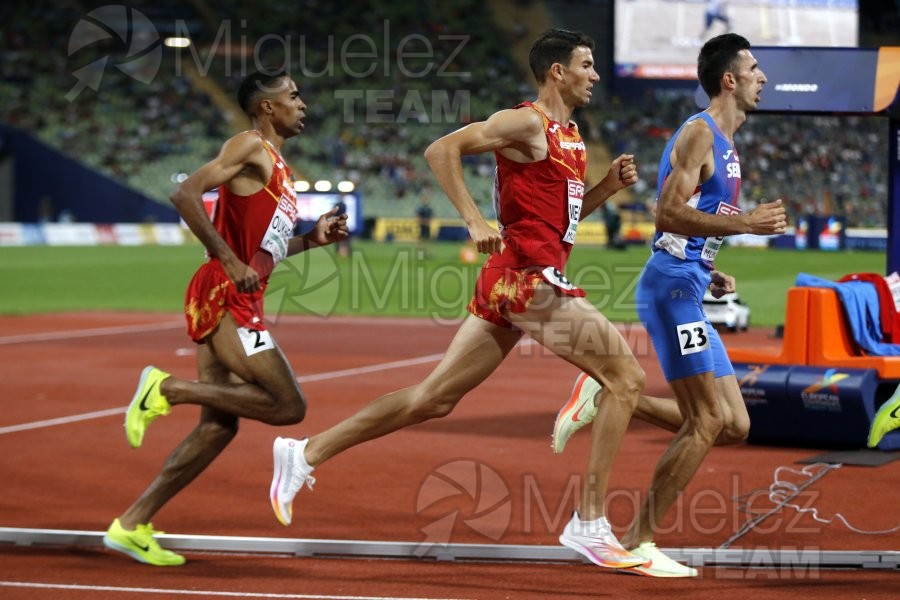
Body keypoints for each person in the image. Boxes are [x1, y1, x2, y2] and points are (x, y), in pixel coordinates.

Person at [270, 28, 652, 571]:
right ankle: (589, 523)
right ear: (557, 72)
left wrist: (606, 189)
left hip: (515, 277)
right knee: (626, 378)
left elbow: (557, 223)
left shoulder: (570, 135)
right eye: (586, 65)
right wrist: (472, 218)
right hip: (526, 279)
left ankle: (304, 452)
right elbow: (440, 148)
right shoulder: (525, 121)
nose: (595, 74)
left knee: (433, 398)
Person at [552, 33, 786, 577]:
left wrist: (710, 265)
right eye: (755, 69)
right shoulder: (699, 135)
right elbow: (666, 213)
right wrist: (745, 224)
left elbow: (690, 225)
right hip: (671, 291)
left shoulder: (727, 143)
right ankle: (638, 542)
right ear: (729, 79)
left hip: (687, 282)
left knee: (734, 423)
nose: (763, 78)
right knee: (705, 420)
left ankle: (606, 394)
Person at [102, 68, 349, 566]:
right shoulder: (249, 145)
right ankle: (166, 389)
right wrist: (230, 260)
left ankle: (131, 524)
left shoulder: (278, 167)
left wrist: (312, 240)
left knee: (218, 428)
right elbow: (185, 194)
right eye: (293, 96)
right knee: (287, 405)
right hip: (225, 293)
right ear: (266, 107)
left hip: (235, 291)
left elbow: (265, 252)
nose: (302, 104)